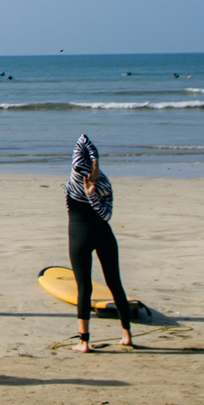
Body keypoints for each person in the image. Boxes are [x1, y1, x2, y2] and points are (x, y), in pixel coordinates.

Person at [64, 133, 135, 350]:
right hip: (104, 234)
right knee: (115, 283)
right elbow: (106, 216)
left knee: (84, 286)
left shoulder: (73, 179)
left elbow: (81, 140)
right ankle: (127, 336)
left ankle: (84, 342)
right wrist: (95, 196)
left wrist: (89, 196)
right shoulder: (104, 181)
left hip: (79, 236)